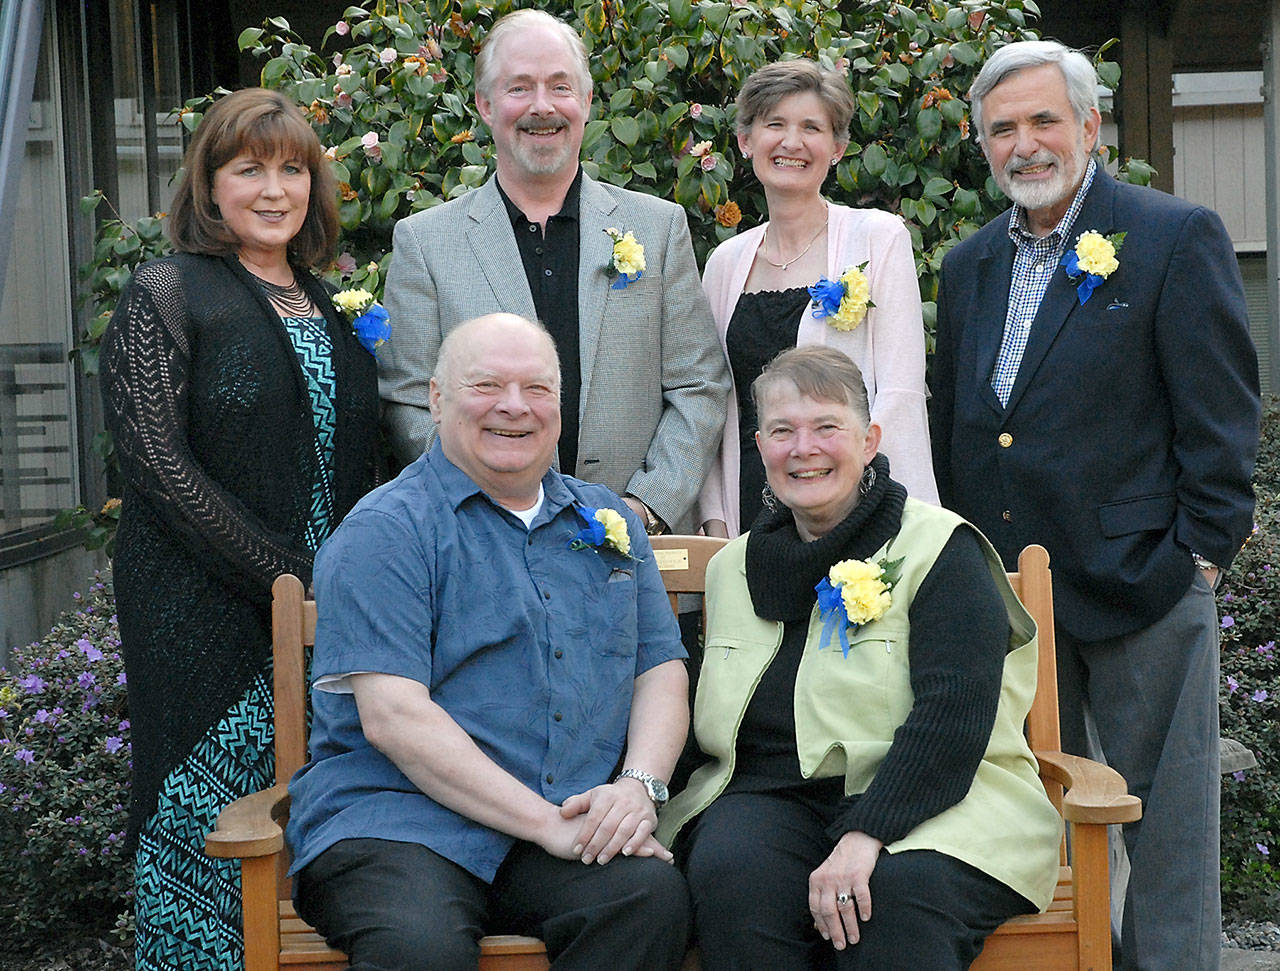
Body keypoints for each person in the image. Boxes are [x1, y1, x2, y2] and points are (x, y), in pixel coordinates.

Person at [929, 40, 1260, 970]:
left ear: (1090, 126)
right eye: (1003, 129)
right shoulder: (969, 265)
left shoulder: (1172, 233)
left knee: (1169, 827)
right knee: (1042, 824)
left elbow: (1222, 417)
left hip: (1145, 578)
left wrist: (1197, 553)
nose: (1025, 145)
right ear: (982, 144)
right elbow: (966, 419)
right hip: (1016, 604)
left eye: (1043, 121)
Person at [287, 313, 692, 971]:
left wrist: (638, 786)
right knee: (419, 949)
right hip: (399, 824)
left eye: (536, 387)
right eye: (487, 385)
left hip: (561, 822)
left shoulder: (607, 521)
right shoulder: (386, 531)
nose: (514, 406)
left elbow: (660, 667)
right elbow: (394, 718)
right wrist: (544, 824)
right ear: (437, 399)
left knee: (645, 898)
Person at [660, 345, 1060, 969]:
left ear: (869, 440)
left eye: (827, 427)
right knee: (734, 876)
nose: (804, 448)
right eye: (782, 431)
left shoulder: (939, 548)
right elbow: (693, 715)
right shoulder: (733, 567)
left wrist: (865, 831)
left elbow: (953, 714)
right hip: (770, 798)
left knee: (891, 897)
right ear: (759, 445)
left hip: (944, 796)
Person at [99, 88, 380, 970]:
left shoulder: (326, 304)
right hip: (198, 609)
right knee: (200, 816)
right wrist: (291, 580)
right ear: (209, 186)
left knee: (295, 817)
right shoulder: (167, 291)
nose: (273, 188)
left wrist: (325, 595)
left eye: (291, 168)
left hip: (311, 622)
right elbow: (154, 461)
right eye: (247, 168)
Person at [379, 8, 728, 535]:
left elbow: (699, 386)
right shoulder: (425, 243)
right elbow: (408, 400)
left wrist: (643, 509)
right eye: (520, 88)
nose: (543, 107)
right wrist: (489, 504)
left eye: (560, 87)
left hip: (632, 558)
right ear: (485, 105)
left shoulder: (657, 230)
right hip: (482, 551)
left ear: (586, 102)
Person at [699, 59, 937, 540]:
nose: (792, 142)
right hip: (750, 508)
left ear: (837, 148)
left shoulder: (877, 238)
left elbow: (899, 391)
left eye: (812, 127)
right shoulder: (724, 263)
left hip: (855, 505)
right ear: (746, 142)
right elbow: (712, 401)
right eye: (775, 125)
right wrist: (714, 516)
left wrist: (855, 507)